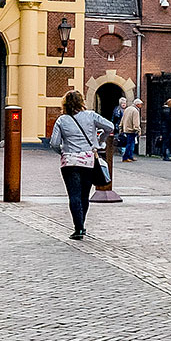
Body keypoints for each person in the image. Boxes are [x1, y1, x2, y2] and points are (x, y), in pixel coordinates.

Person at [50, 91, 110, 239]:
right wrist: (100, 141)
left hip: (69, 162)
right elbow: (110, 126)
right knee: (84, 194)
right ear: (81, 102)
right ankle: (82, 224)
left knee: (74, 195)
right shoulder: (91, 115)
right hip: (88, 160)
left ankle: (78, 229)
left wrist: (63, 152)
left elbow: (54, 143)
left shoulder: (61, 120)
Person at [118, 96, 141, 161]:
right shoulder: (135, 111)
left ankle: (130, 156)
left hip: (126, 128)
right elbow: (136, 122)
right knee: (130, 144)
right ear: (137, 104)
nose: (141, 105)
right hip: (131, 130)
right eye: (140, 104)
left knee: (130, 143)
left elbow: (123, 119)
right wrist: (138, 129)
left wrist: (121, 127)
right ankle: (126, 157)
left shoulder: (127, 109)